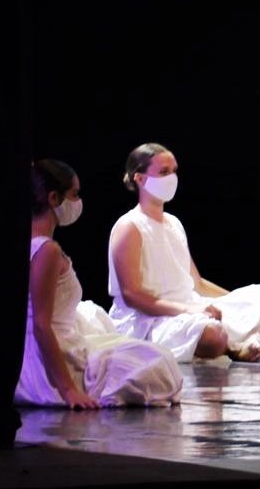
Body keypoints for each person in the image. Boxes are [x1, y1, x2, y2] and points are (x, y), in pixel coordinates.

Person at [20, 159, 183, 409]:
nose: (78, 202)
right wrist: (69, 390)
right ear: (54, 199)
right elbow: (42, 326)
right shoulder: (46, 250)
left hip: (48, 345)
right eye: (74, 195)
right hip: (50, 358)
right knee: (156, 364)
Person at [108, 144, 260, 362]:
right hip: (151, 319)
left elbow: (197, 283)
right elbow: (133, 295)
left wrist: (238, 305)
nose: (172, 177)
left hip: (191, 306)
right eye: (164, 172)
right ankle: (236, 347)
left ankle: (243, 340)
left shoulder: (174, 223)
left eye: (174, 171)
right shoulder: (130, 226)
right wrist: (189, 310)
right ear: (140, 178)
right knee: (213, 335)